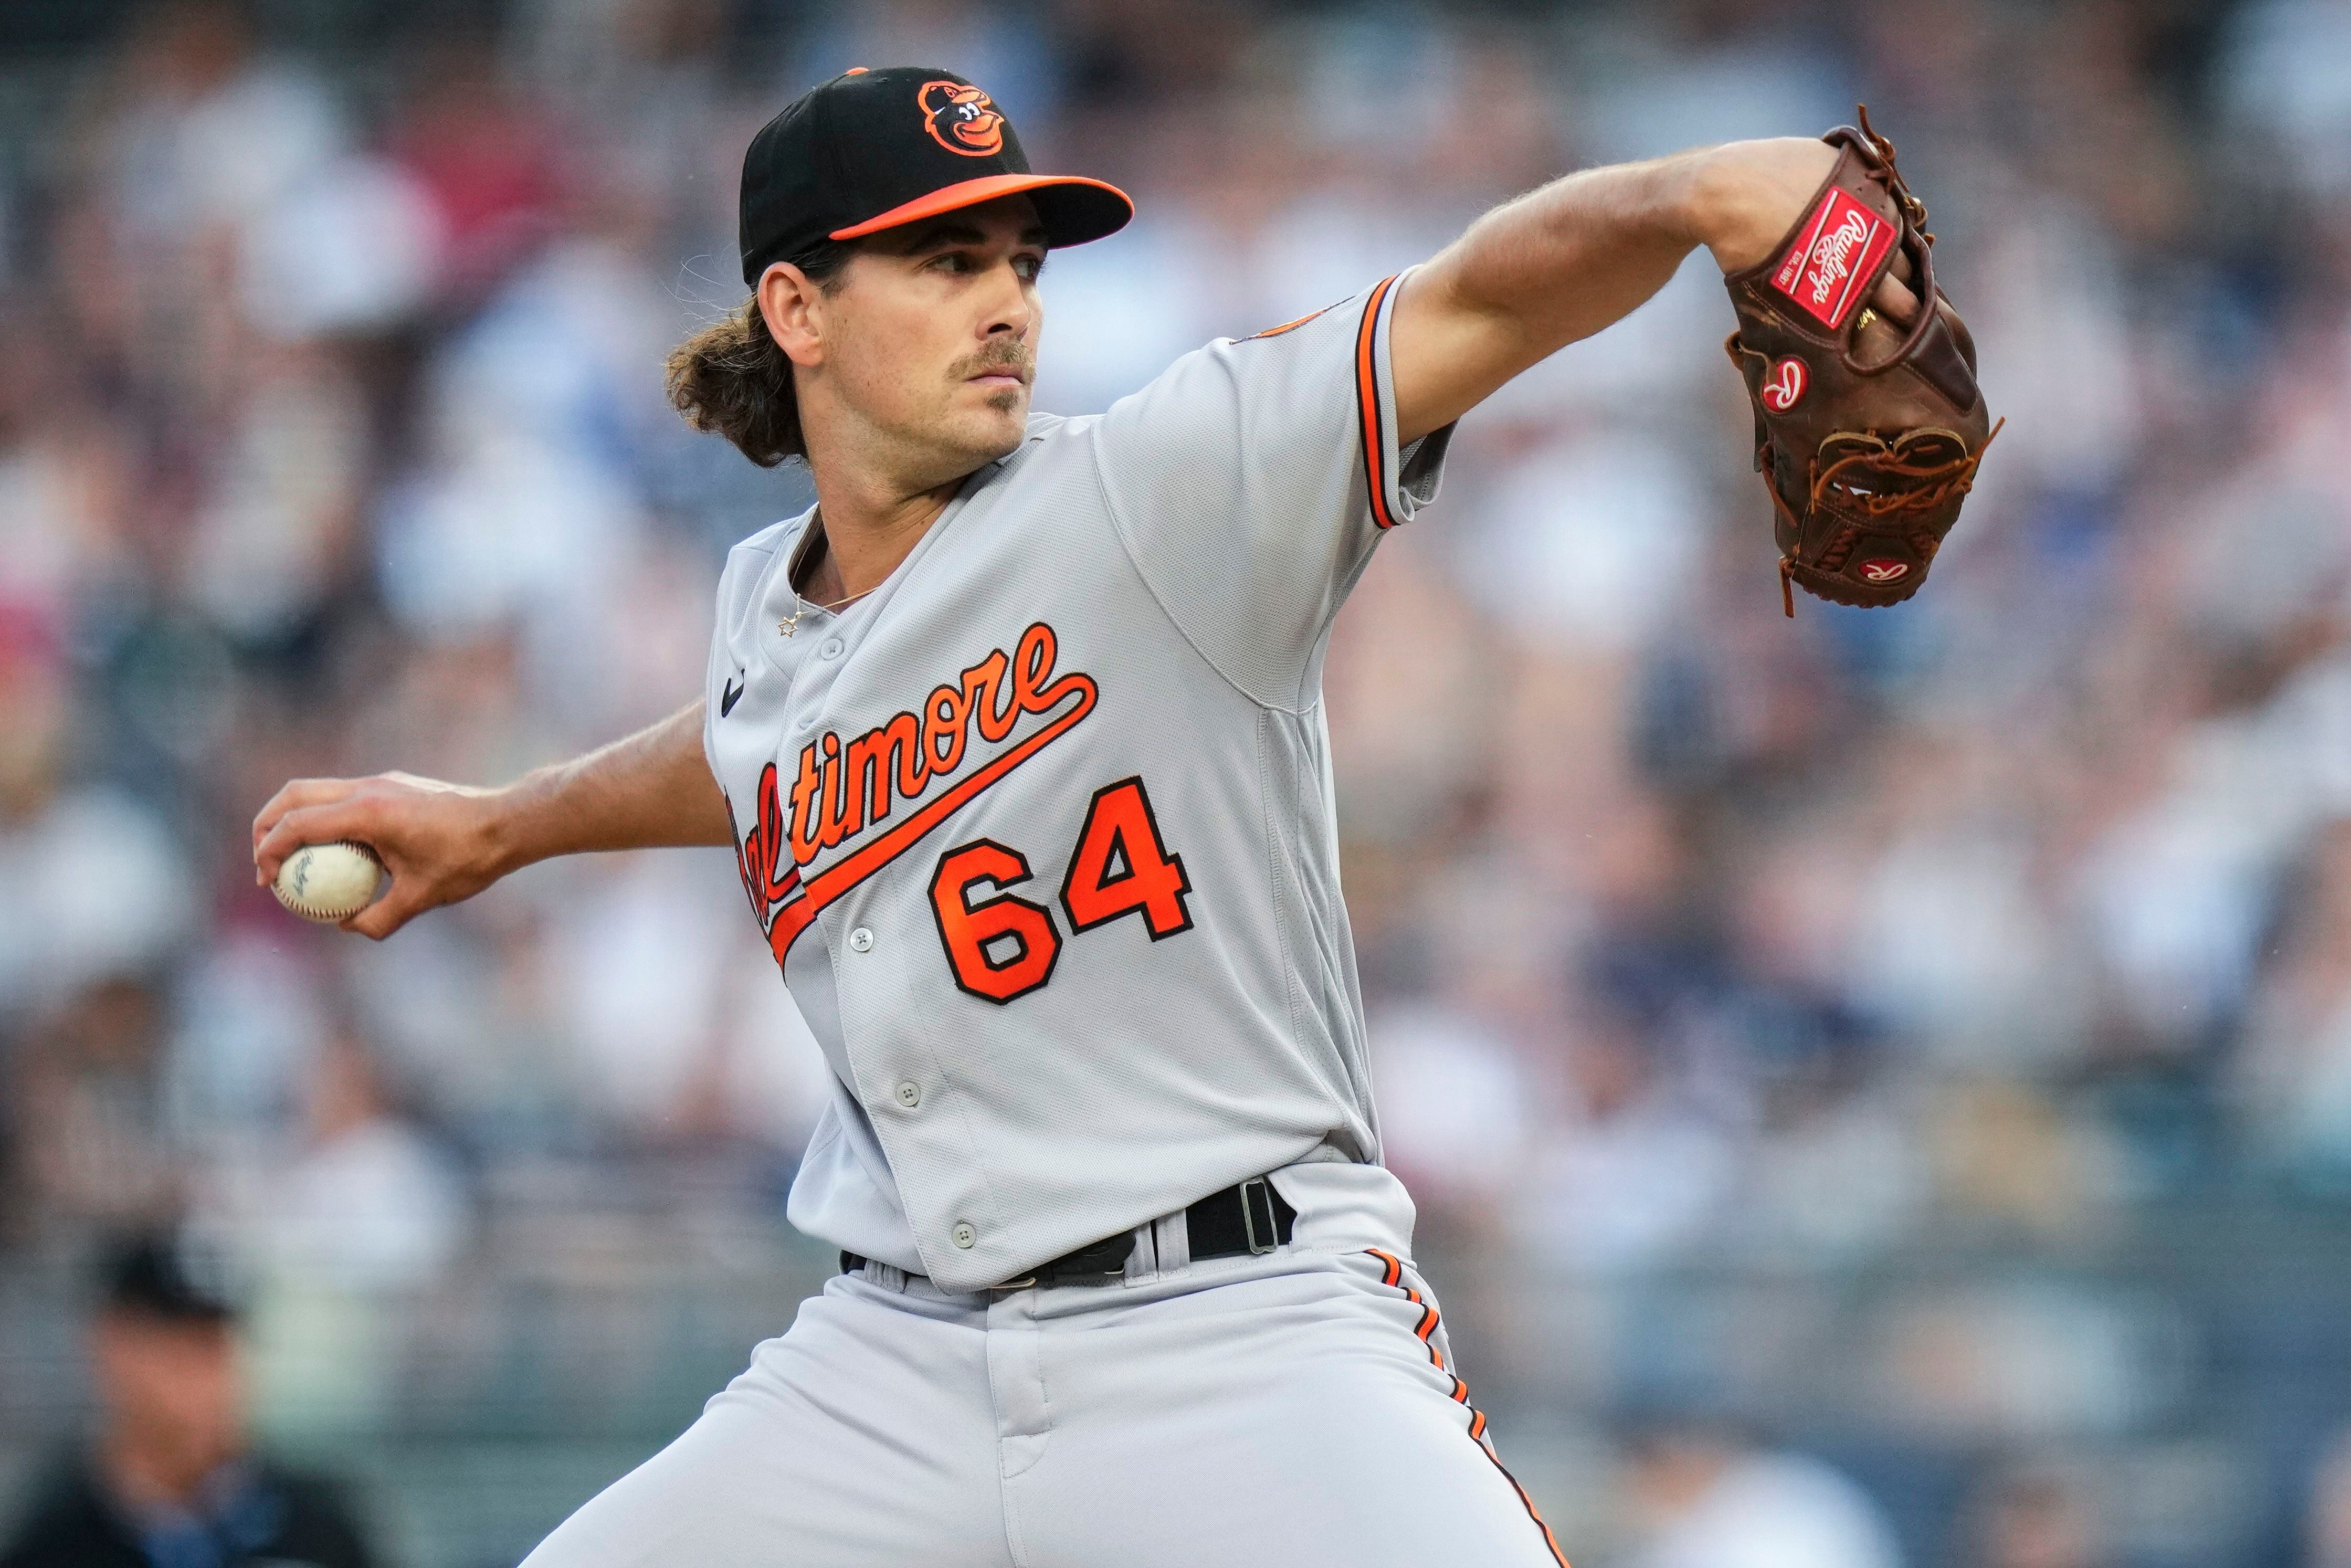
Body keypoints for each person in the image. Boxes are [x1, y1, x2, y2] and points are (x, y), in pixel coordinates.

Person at [251, 64, 1921, 1567]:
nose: (1004, 307)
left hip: (1238, 1325)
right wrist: (505, 822)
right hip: (886, 1360)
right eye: (941, 260)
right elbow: (762, 746)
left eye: (1020, 264)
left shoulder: (1164, 487)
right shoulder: (766, 607)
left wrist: (1704, 193)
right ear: (796, 306)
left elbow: (1480, 292)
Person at [0, 1231, 374, 1568]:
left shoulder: (318, 1524)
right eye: (178, 1349)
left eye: (215, 1348)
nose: (202, 1379)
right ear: (110, 1344)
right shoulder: (54, 1542)